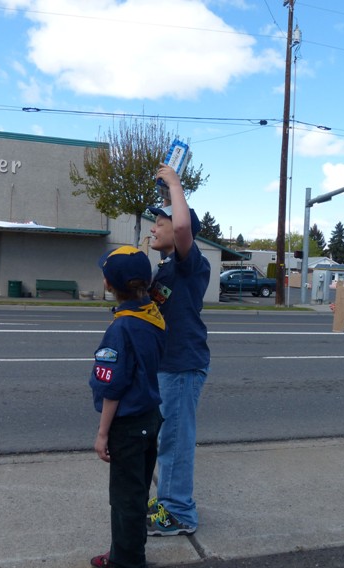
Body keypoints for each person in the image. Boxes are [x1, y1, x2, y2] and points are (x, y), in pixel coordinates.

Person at [87, 245, 166, 568]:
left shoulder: (121, 329)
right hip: (150, 417)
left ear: (108, 283)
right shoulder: (152, 314)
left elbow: (113, 387)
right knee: (133, 493)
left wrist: (102, 433)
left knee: (126, 499)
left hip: (129, 425)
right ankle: (123, 550)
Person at [144, 162, 211, 536]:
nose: (154, 227)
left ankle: (180, 513)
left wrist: (173, 182)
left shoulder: (190, 263)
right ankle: (169, 501)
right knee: (165, 437)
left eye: (160, 222)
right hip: (166, 364)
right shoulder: (166, 267)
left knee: (175, 439)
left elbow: (184, 226)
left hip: (183, 366)